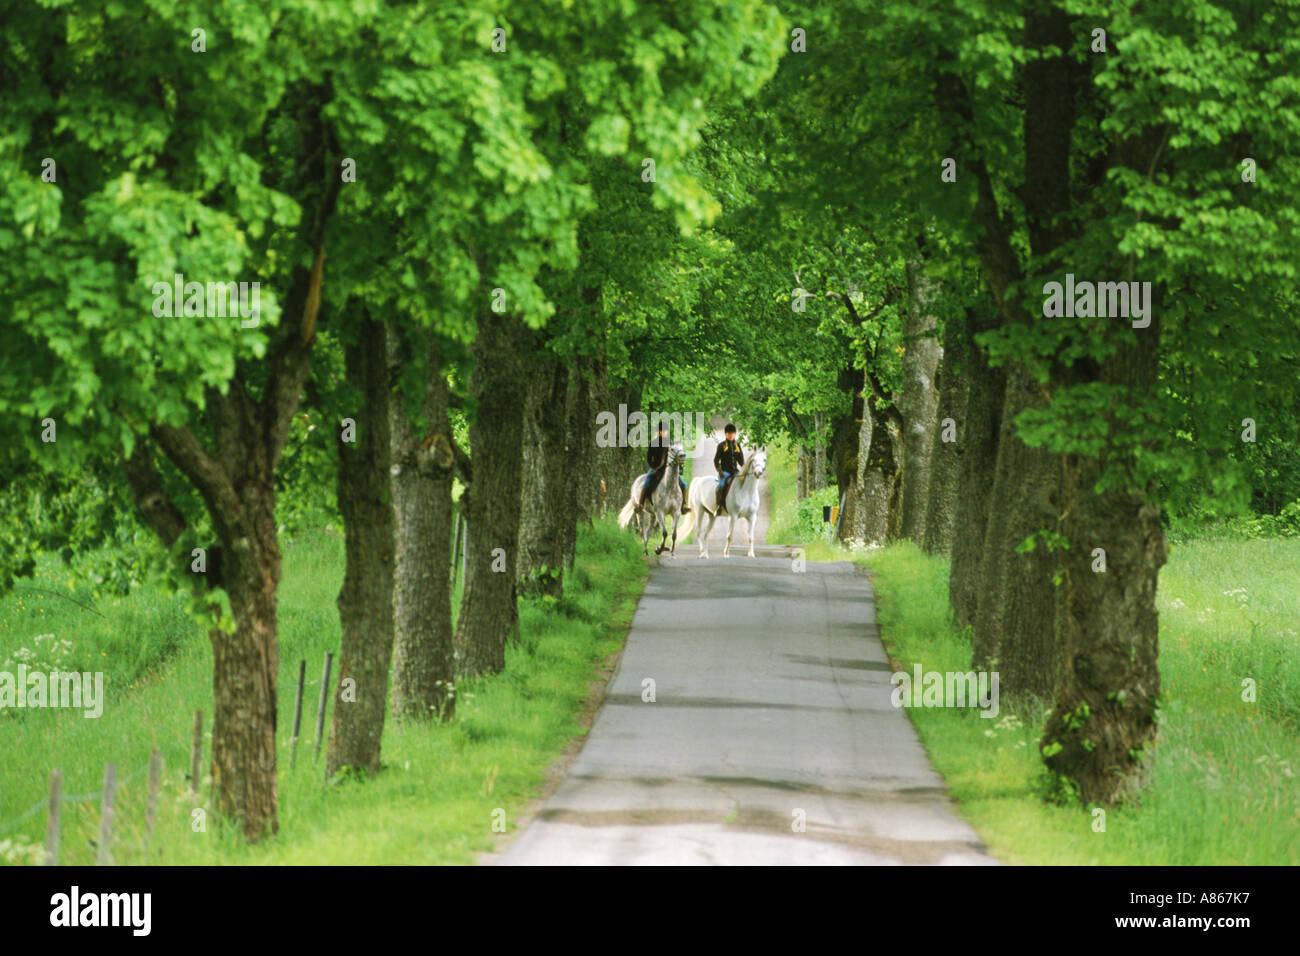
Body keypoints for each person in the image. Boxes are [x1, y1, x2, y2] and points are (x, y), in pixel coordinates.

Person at [640, 421, 690, 511]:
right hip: (656, 468)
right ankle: (641, 504)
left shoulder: (670, 443)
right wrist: (655, 467)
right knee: (646, 482)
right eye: (662, 431)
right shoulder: (653, 443)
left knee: (684, 484)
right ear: (659, 432)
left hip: (669, 469)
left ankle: (683, 505)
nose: (664, 433)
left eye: (665, 431)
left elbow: (675, 456)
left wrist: (679, 467)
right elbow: (649, 458)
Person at [713, 423, 744, 513]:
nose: (731, 435)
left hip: (735, 472)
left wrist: (744, 469)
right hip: (725, 472)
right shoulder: (721, 446)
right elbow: (716, 460)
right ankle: (719, 505)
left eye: (732, 434)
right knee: (721, 486)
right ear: (726, 434)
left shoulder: (737, 445)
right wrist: (720, 471)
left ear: (735, 434)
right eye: (729, 434)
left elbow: (741, 460)